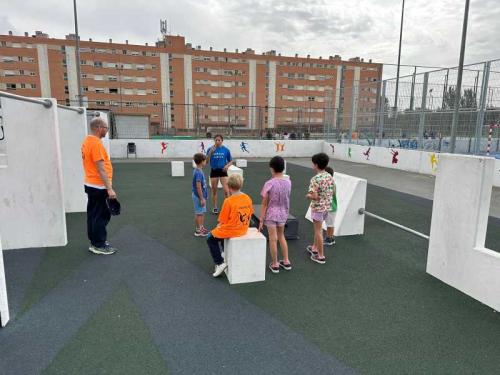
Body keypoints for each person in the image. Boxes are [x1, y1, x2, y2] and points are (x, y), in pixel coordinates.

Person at [81, 117, 117, 255]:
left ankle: (95, 241)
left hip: (91, 184)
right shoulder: (95, 143)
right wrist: (109, 188)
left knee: (93, 214)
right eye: (106, 128)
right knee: (101, 216)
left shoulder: (87, 141)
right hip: (98, 186)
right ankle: (99, 245)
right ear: (99, 127)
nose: (107, 131)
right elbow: (101, 168)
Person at [206, 174, 253, 277]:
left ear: (228, 186)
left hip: (233, 230)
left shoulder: (228, 201)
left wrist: (218, 227)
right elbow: (250, 213)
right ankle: (224, 251)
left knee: (210, 237)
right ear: (241, 184)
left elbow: (222, 221)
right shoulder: (247, 198)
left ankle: (219, 263)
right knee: (220, 232)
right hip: (243, 229)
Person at [258, 156, 292, 273]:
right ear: (283, 168)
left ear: (272, 168)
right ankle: (286, 261)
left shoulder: (269, 183)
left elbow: (264, 204)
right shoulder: (288, 182)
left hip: (271, 214)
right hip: (283, 213)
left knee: (273, 239)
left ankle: (275, 263)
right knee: (281, 236)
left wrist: (261, 219)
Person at [305, 153, 334, 264]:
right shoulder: (329, 176)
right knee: (319, 230)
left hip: (318, 208)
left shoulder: (315, 179)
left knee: (318, 231)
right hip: (327, 207)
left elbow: (314, 196)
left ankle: (321, 256)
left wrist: (308, 196)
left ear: (316, 165)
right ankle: (314, 248)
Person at [206, 134, 232, 214]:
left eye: (219, 140)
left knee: (226, 191)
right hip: (214, 171)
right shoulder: (210, 149)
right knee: (214, 191)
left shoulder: (226, 150)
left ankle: (226, 208)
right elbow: (206, 162)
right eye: (216, 140)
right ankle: (215, 207)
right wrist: (210, 152)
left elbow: (230, 161)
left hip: (223, 171)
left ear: (222, 141)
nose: (217, 142)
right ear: (214, 141)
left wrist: (227, 166)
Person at [192, 153, 210, 237]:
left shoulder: (197, 170)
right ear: (201, 162)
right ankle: (199, 230)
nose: (206, 161)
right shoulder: (198, 172)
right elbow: (198, 186)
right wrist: (202, 198)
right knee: (200, 213)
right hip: (199, 196)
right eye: (205, 160)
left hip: (198, 196)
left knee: (199, 212)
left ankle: (199, 228)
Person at [324, 166, 337, 246]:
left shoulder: (331, 184)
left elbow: (330, 194)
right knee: (329, 224)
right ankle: (329, 237)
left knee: (330, 224)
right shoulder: (331, 183)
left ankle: (330, 239)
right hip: (330, 207)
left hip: (331, 207)